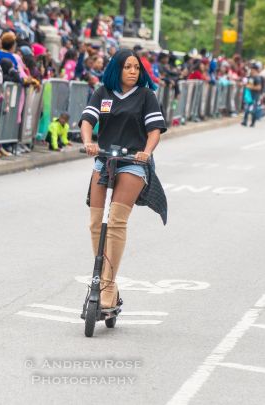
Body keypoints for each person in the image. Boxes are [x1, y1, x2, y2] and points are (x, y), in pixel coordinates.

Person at [79, 49, 168, 310]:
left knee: (116, 221)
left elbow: (154, 131)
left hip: (134, 162)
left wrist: (146, 152)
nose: (133, 71)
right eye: (127, 67)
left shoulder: (146, 96)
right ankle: (108, 282)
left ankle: (107, 283)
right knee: (96, 222)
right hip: (104, 159)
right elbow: (87, 120)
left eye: (136, 68)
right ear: (116, 69)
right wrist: (88, 142)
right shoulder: (103, 92)